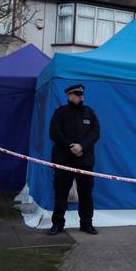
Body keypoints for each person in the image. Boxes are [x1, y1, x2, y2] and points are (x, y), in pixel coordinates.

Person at [47, 84, 100, 235]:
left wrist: (82, 146)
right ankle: (57, 224)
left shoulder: (89, 112)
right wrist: (71, 146)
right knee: (61, 193)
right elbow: (54, 133)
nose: (81, 97)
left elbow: (95, 132)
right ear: (70, 96)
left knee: (86, 194)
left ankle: (86, 224)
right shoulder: (60, 112)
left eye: (82, 94)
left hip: (85, 161)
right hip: (64, 160)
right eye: (77, 94)